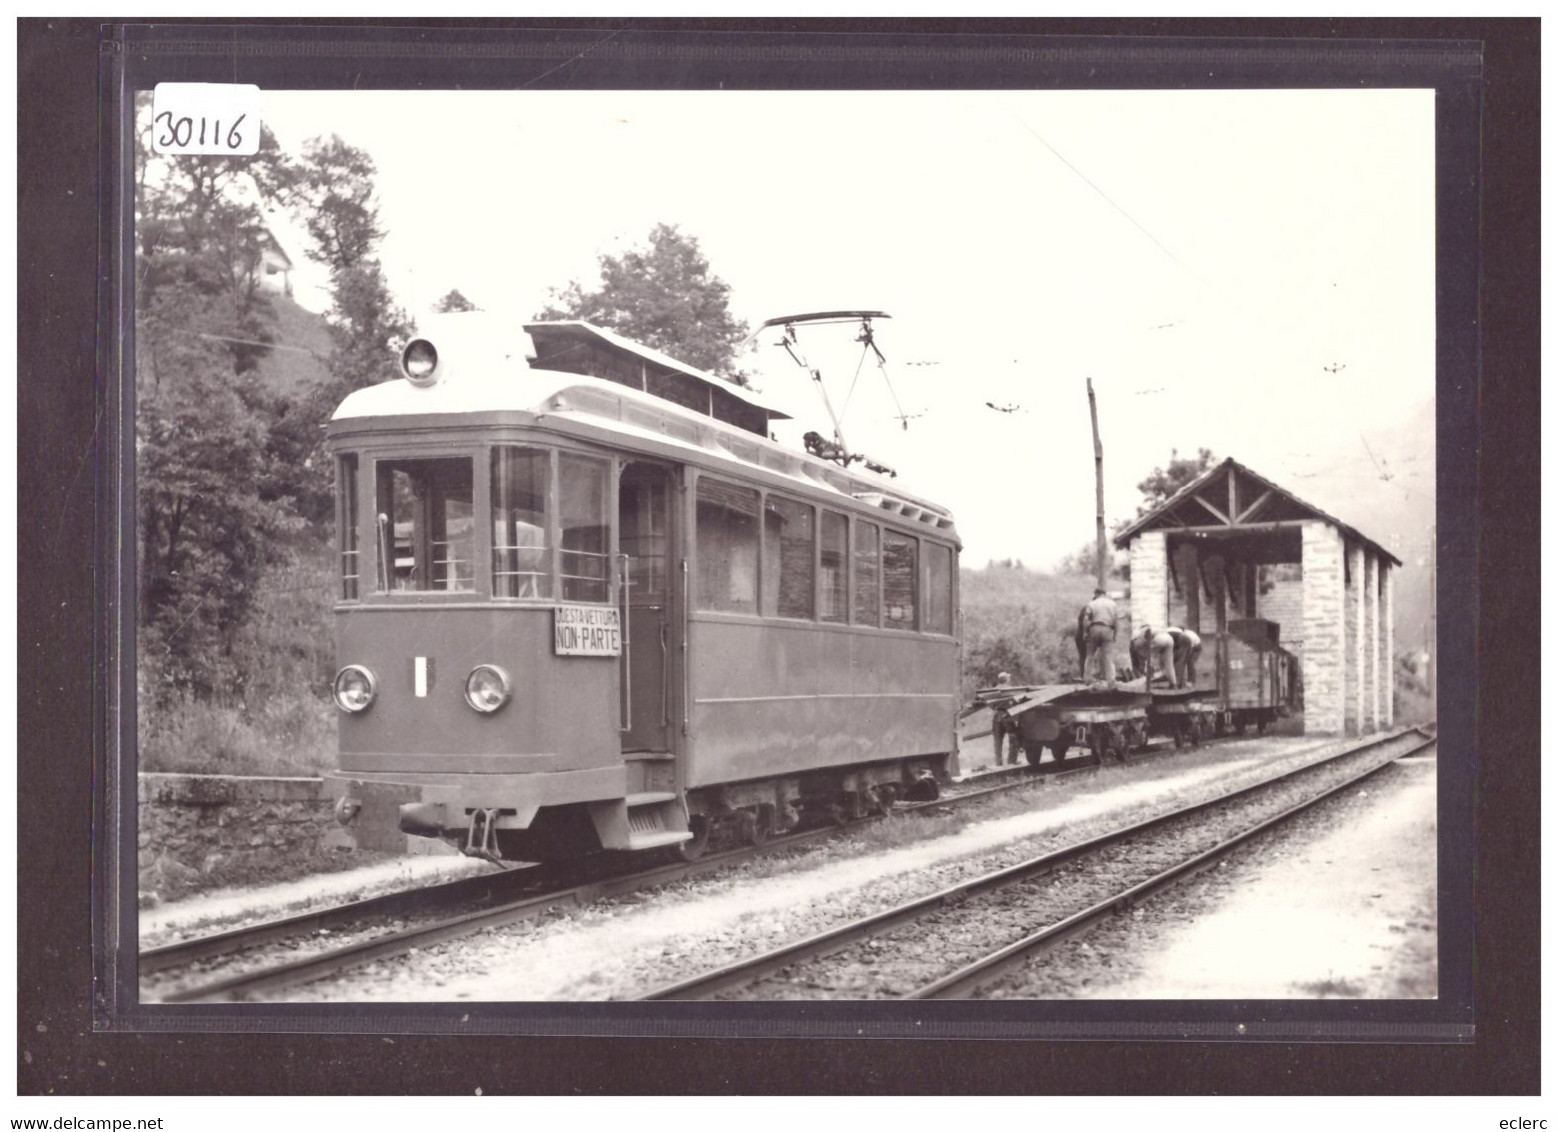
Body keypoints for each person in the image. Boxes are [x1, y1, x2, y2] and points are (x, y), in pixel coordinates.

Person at [1080, 588, 1118, 685]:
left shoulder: (1092, 604)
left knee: (1090, 655)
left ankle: (1087, 679)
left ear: (1096, 594)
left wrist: (1085, 632)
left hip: (1094, 628)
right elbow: (1116, 621)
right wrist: (1115, 635)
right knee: (1108, 656)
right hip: (1107, 629)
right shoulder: (1112, 604)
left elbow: (1086, 619)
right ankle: (1111, 680)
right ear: (1104, 594)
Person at [1134, 623, 1178, 688]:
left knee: (1151, 658)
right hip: (1169, 640)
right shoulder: (1156, 628)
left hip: (1159, 639)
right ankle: (1174, 684)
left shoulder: (1143, 630)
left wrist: (1139, 650)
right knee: (1169, 664)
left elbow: (1140, 643)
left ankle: (1149, 680)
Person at [991, 671, 1019, 765]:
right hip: (1007, 716)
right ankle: (1011, 762)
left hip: (996, 716)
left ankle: (998, 763)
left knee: (997, 740)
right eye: (1008, 678)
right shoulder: (1010, 689)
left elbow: (991, 704)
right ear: (1006, 679)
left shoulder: (993, 690)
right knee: (1013, 737)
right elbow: (1016, 702)